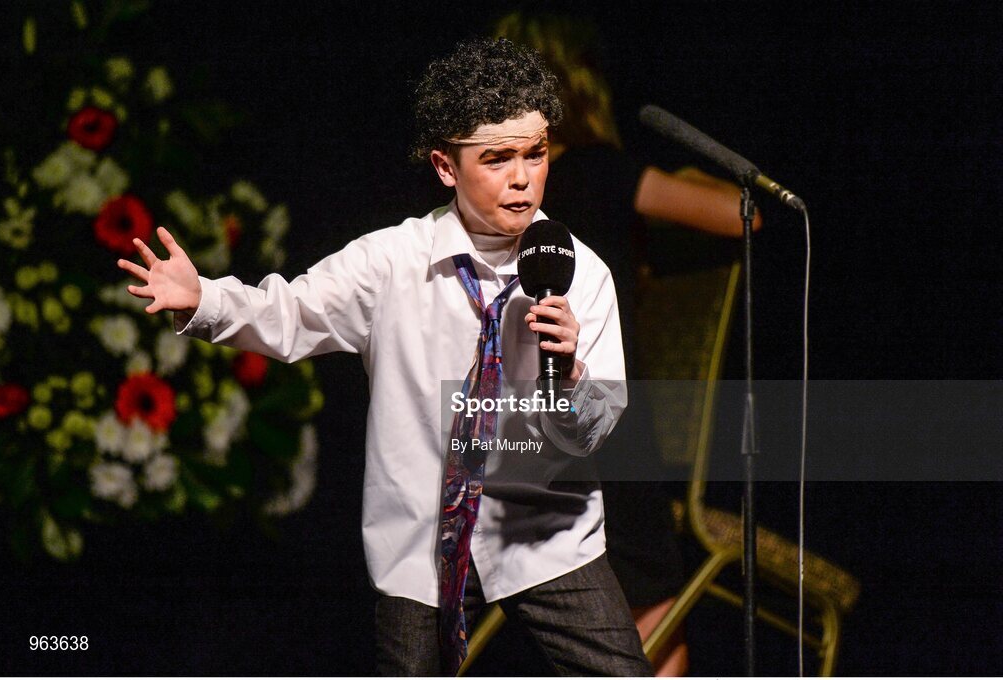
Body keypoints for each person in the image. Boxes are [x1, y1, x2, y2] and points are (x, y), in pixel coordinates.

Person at [117, 37, 653, 676]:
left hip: (542, 531)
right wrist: (203, 297)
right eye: (497, 158)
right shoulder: (393, 261)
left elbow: (593, 429)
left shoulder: (580, 273)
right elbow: (292, 313)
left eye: (535, 154)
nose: (522, 177)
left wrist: (566, 373)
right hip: (421, 538)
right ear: (446, 167)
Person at [493, 11, 759, 676]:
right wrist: (681, 177)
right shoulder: (600, 173)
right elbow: (743, 213)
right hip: (599, 439)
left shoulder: (498, 195)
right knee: (656, 636)